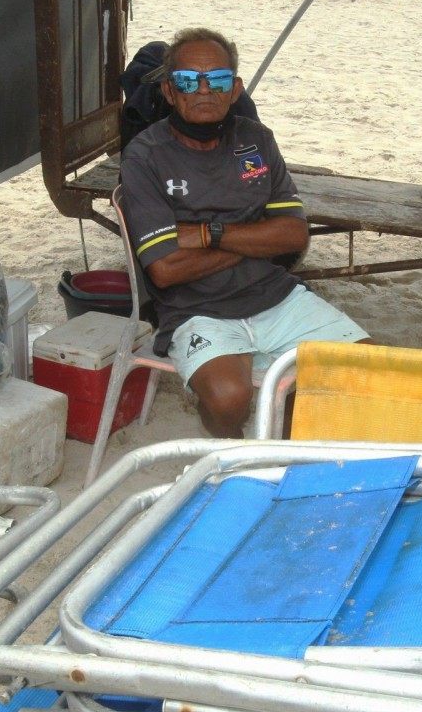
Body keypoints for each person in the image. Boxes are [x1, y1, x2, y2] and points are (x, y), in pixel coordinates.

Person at [119, 27, 369, 438]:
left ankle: (289, 449)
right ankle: (231, 453)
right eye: (187, 80)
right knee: (228, 398)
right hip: (197, 310)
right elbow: (165, 270)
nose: (203, 90)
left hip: (277, 297)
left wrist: (208, 233)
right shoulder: (146, 155)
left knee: (368, 374)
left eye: (217, 79)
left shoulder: (255, 140)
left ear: (234, 90)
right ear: (169, 90)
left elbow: (292, 236)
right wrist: (254, 237)